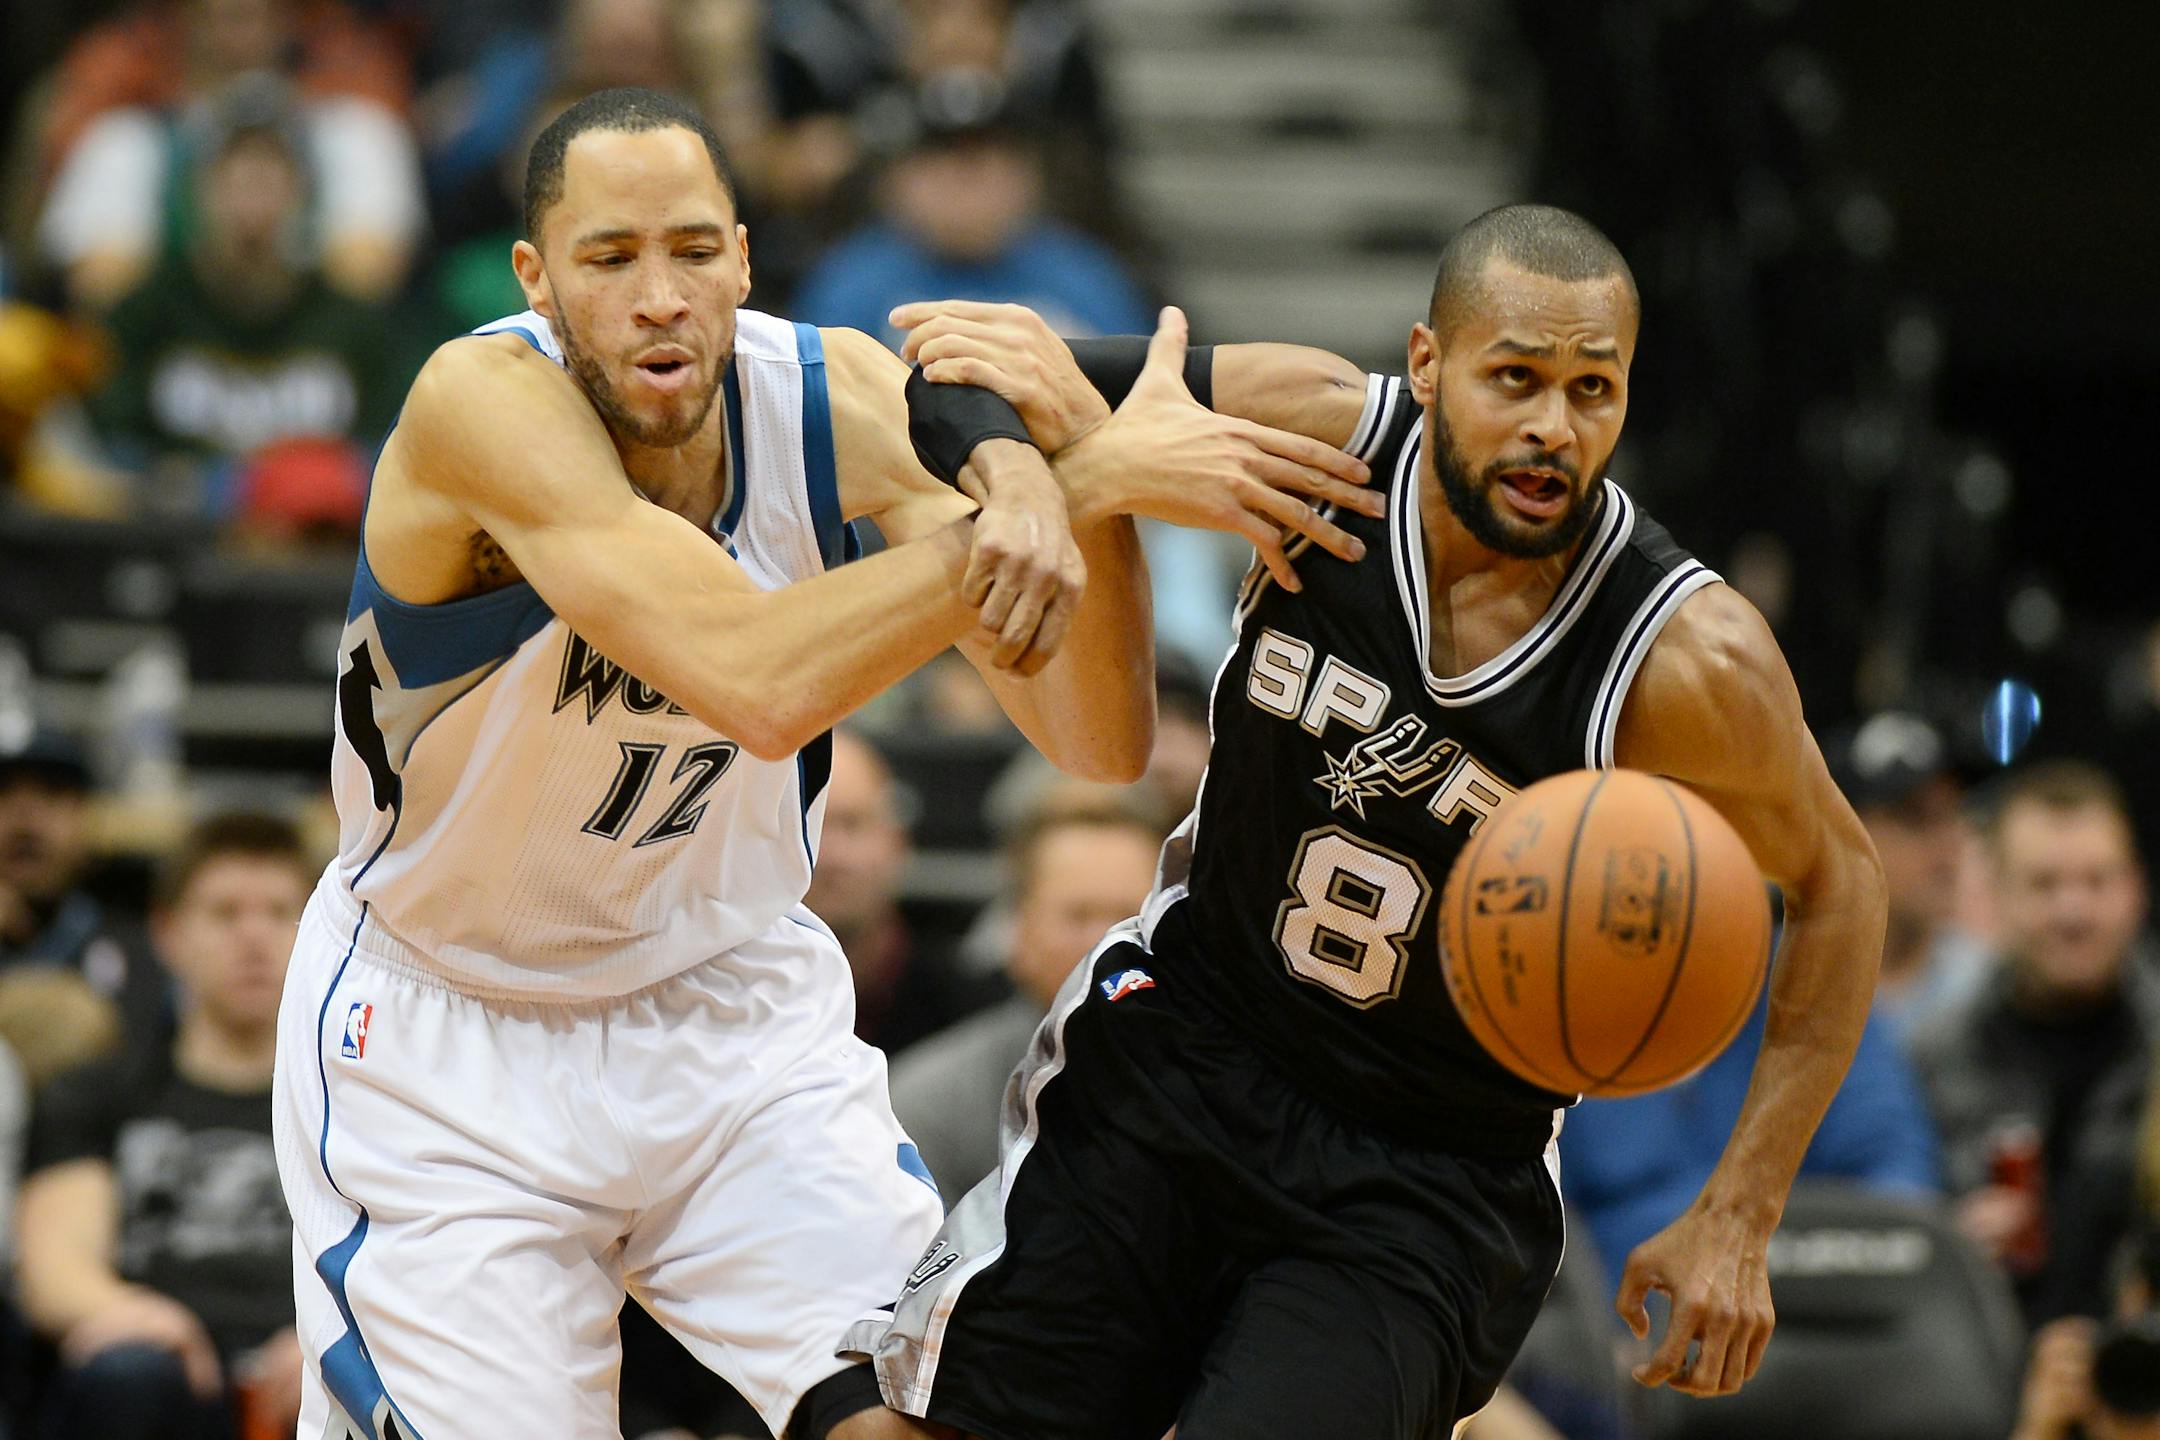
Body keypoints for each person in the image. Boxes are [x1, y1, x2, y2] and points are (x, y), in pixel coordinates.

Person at [270, 84, 1368, 1440]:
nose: (659, 295)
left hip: (730, 1016)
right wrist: (1076, 485)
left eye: (689, 251)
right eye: (611, 259)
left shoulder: (833, 397)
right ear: (539, 280)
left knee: (938, 1417)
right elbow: (757, 680)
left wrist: (1088, 468)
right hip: (451, 1043)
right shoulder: (480, 401)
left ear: (741, 256)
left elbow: (1098, 739)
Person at [853, 203, 1889, 1437]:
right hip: (1188, 1056)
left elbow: (1841, 883)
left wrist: (1743, 1210)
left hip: (1426, 1175)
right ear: (1427, 362)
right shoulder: (1312, 436)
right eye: (1514, 380)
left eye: (1591, 390)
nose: (1553, 428)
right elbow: (969, 365)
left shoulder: (1682, 659)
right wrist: (1044, 483)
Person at [14, 811, 313, 1440]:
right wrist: (143, 1320)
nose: (255, 937)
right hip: (159, 1376)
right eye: (226, 913)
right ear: (168, 933)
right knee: (131, 1376)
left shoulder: (361, 1105)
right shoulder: (100, 1091)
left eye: (281, 912)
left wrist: (333, 1336)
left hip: (306, 1368)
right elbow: (53, 1266)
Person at [1911, 759, 2158, 1325]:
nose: (2073, 912)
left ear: (2136, 889)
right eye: (2044, 885)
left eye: (2097, 881)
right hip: (1981, 1379)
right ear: (1994, 895)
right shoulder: (1931, 1058)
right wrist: (1947, 1247)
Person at [1559, 982, 1942, 1277]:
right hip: (1620, 1339)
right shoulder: (1559, 1010)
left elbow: (1897, 1179)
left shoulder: (1812, 981)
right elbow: (1535, 1219)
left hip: (1804, 1316)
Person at [887, 794, 1165, 1197]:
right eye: (1078, 915)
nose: (1107, 943)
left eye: (1131, 918)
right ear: (1016, 929)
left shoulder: (1233, 1088)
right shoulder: (928, 1107)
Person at [808, 728, 1001, 1053]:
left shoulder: (972, 1012)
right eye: (811, 826)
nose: (833, 855)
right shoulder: (728, 999)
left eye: (852, 824)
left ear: (898, 841)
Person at [1824, 710, 1992, 1043]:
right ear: (1841, 832)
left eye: (1953, 813)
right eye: (1916, 819)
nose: (1949, 843)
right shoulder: (1777, 981)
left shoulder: (1986, 990)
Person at [0, 725, 167, 1046]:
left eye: (51, 793)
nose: (24, 817)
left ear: (85, 820)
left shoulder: (139, 950)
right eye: (3, 793)